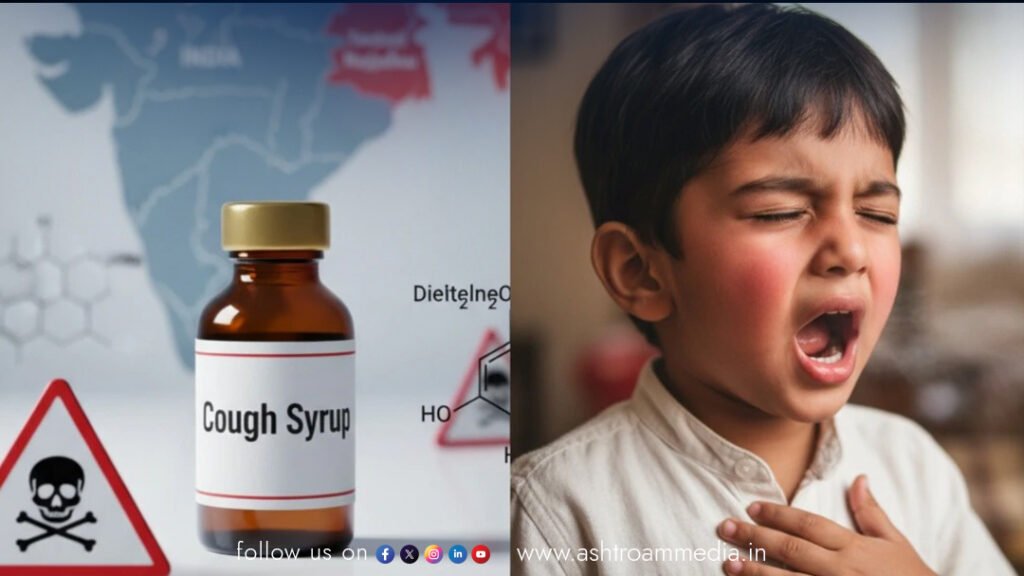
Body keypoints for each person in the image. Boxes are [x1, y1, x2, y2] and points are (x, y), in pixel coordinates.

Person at [511, 5, 1015, 575]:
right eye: (781, 211)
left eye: (876, 213)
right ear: (640, 272)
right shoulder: (554, 511)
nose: (849, 250)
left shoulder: (915, 468)